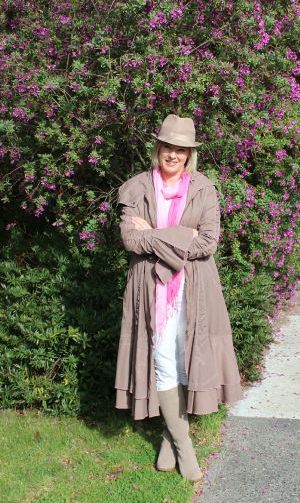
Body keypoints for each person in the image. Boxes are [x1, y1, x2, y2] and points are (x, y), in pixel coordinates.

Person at [114, 114, 243, 482]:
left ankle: (170, 439)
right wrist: (178, 235)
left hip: (194, 288)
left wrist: (154, 232)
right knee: (163, 358)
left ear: (190, 155)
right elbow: (129, 239)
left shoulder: (204, 189)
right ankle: (184, 446)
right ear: (158, 149)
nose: (173, 154)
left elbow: (208, 242)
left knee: (186, 356)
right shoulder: (136, 188)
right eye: (168, 146)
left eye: (181, 149)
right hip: (150, 289)